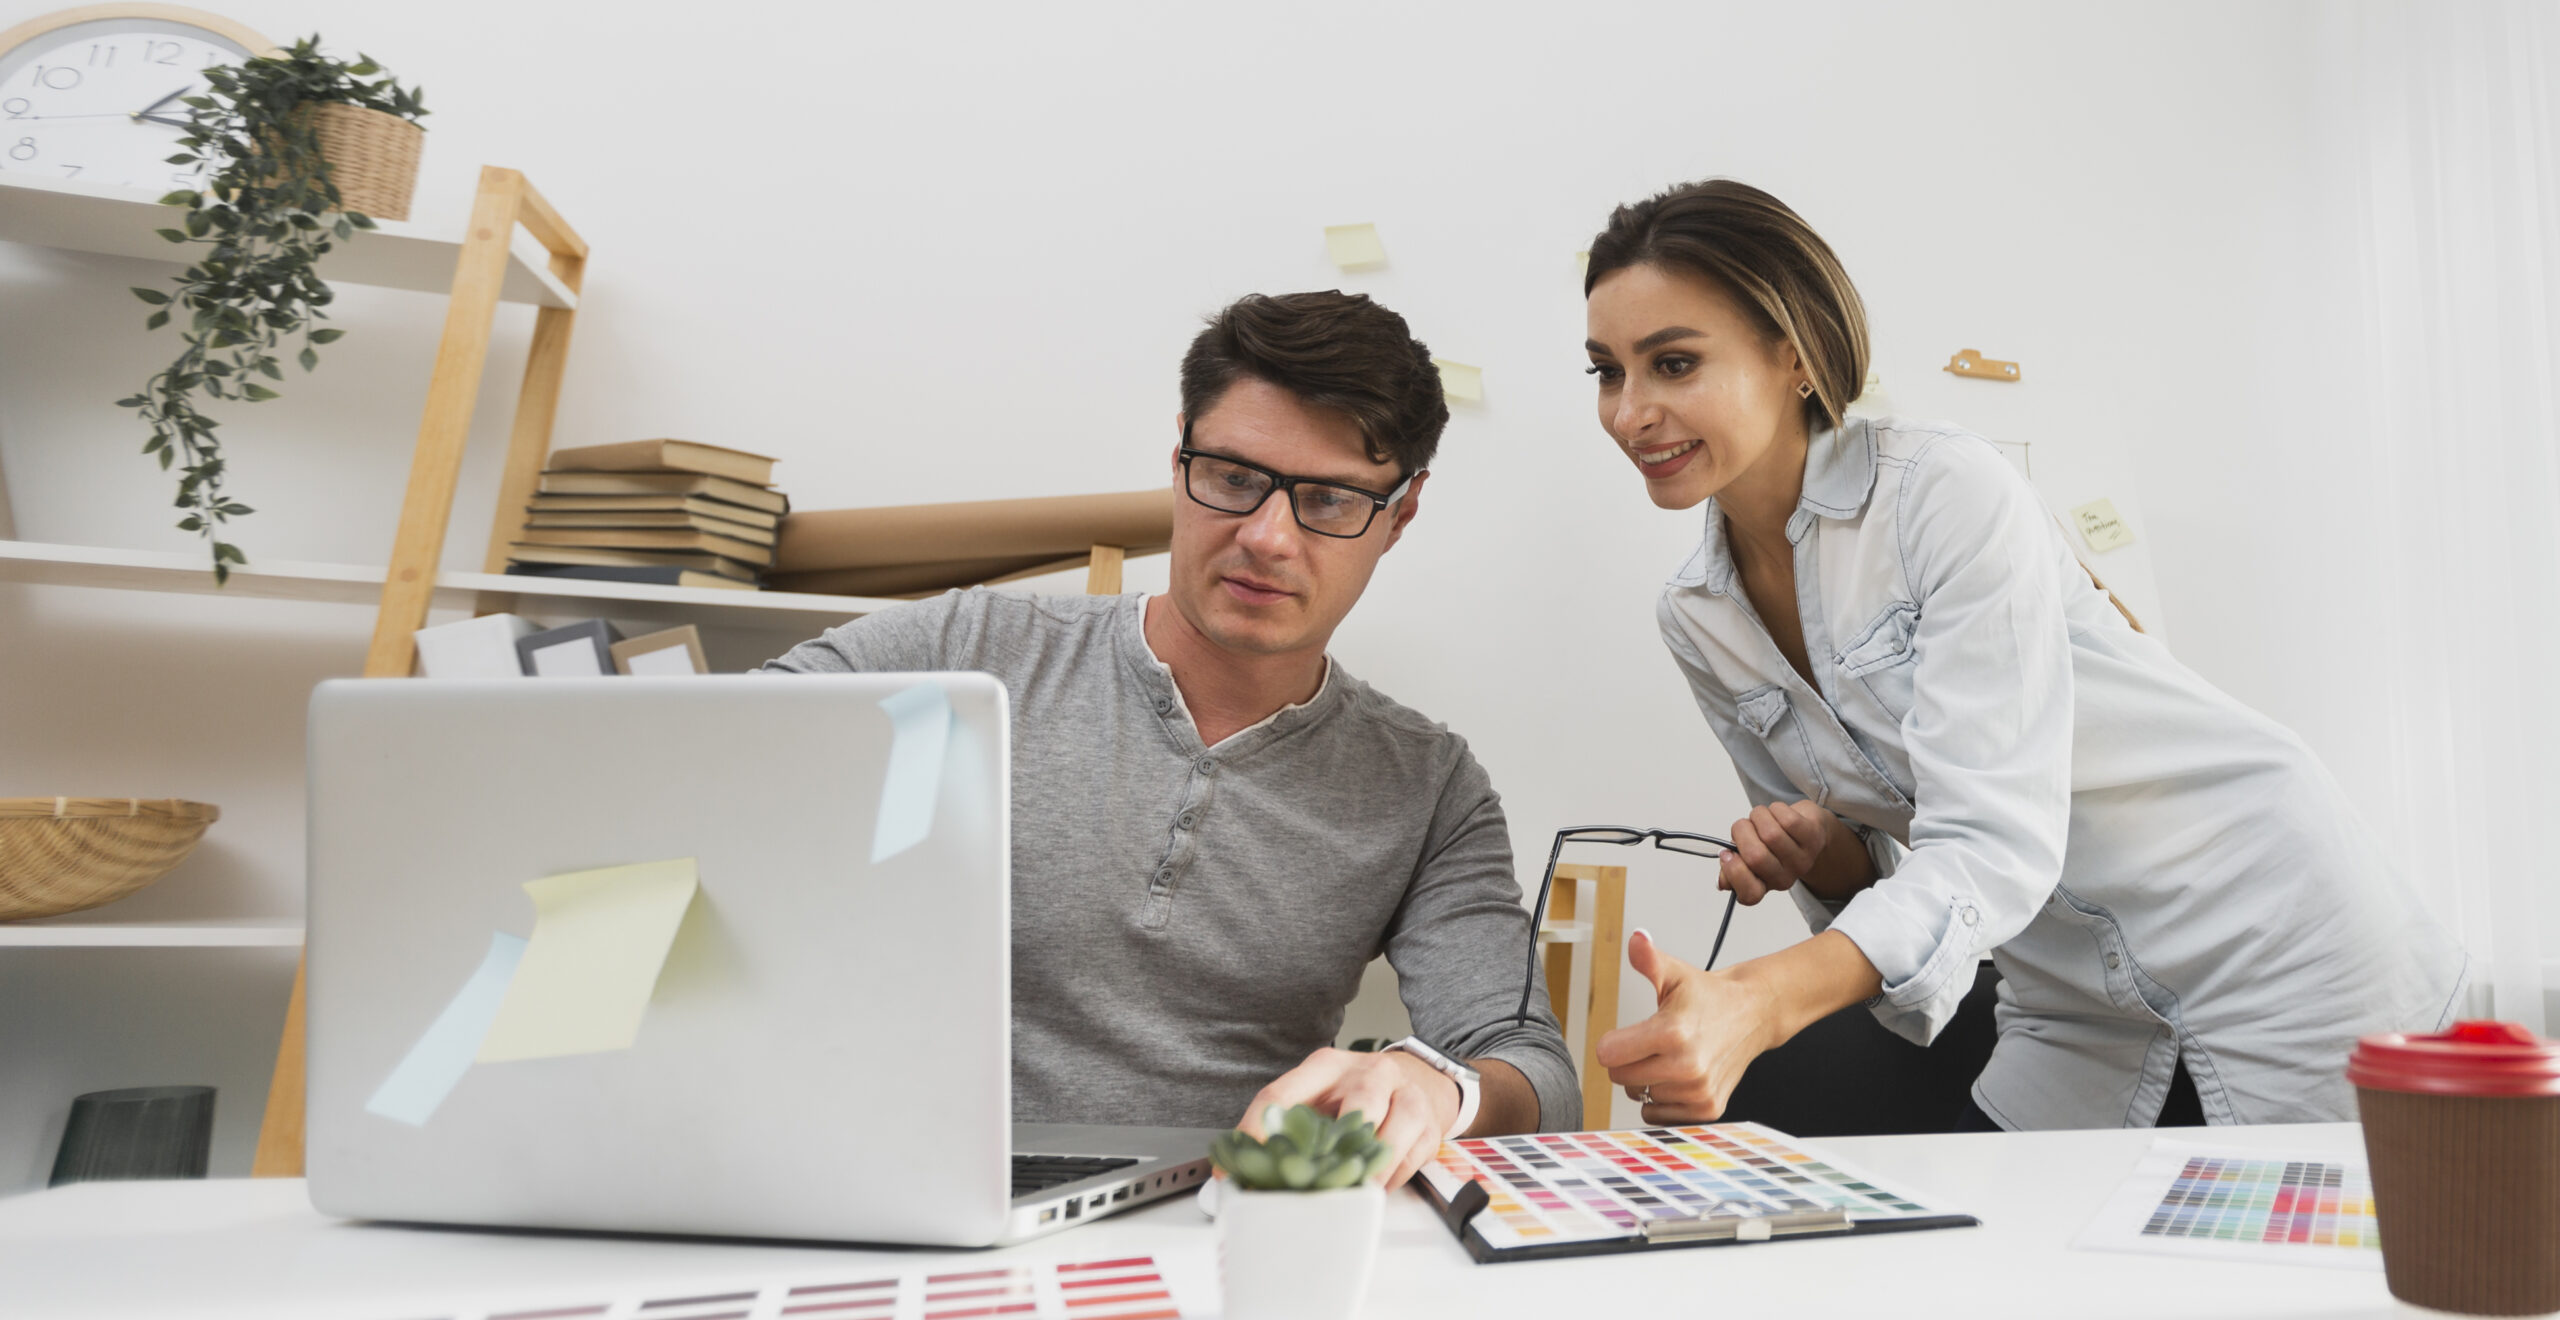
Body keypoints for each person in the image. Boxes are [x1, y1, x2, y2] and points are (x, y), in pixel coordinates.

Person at [1578, 179, 2465, 1131]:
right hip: (2073, 999)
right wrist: (1825, 857)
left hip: (2273, 933)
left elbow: (1991, 840)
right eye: (1606, 372)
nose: (1632, 413)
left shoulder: (1943, 493)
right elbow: (1891, 887)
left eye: (1672, 364)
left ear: (1792, 354)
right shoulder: (1697, 619)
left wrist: (1755, 1001)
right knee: (2015, 1263)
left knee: (2302, 1267)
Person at [764, 291, 1578, 1180]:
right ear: (1180, 450)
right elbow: (698, 765)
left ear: (1401, 515)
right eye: (1232, 478)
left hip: (1216, 1224)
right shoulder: (966, 653)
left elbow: (1529, 1064)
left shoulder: (1426, 787)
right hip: (896, 1182)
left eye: (1330, 501)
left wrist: (1434, 1086)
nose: (1267, 538)